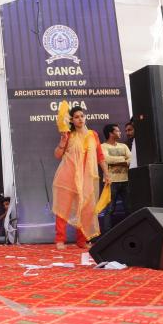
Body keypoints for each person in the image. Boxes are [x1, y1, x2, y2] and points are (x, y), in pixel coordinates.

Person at [52, 106, 105, 250]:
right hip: (67, 176)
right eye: (76, 117)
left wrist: (106, 173)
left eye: (82, 116)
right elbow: (57, 155)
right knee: (63, 209)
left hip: (86, 178)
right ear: (72, 120)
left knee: (86, 209)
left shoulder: (93, 135)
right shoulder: (68, 135)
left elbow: (100, 155)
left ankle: (82, 240)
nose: (80, 119)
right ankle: (60, 240)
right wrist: (62, 142)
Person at [100, 124, 131, 233]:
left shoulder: (124, 146)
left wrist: (117, 161)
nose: (120, 132)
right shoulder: (103, 147)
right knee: (109, 209)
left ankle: (131, 232)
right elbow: (107, 159)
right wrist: (123, 160)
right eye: (117, 131)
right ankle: (107, 235)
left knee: (129, 209)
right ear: (111, 133)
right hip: (111, 182)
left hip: (125, 181)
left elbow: (130, 159)